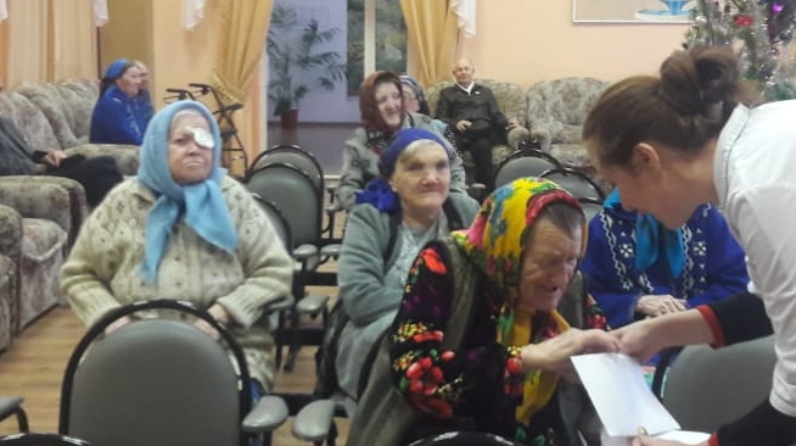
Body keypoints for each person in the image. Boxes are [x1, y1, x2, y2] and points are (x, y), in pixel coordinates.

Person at [581, 46, 796, 446]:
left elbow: (793, 397)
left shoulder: (757, 188)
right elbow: (768, 303)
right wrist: (660, 331)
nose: (625, 203)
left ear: (646, 159)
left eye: (617, 182)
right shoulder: (751, 154)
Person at [61, 100, 293, 400]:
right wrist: (111, 318)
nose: (195, 149)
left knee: (220, 407)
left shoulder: (233, 199)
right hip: (130, 347)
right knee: (103, 408)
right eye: (182, 141)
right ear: (158, 147)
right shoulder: (123, 202)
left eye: (204, 139)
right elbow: (80, 275)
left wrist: (224, 312)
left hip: (226, 347)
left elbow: (276, 270)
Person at [388, 177, 619, 445]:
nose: (561, 278)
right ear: (509, 249)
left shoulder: (573, 287)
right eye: (549, 261)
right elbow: (415, 376)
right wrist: (526, 358)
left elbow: (606, 358)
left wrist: (606, 360)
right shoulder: (443, 266)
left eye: (572, 259)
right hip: (450, 434)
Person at [332, 128, 480, 409]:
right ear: (392, 179)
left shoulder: (465, 210)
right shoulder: (370, 216)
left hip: (453, 340)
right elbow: (360, 298)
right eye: (415, 168)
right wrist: (438, 309)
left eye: (441, 166)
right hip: (379, 343)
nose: (431, 178)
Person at [581, 190, 748, 329]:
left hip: (701, 334)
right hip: (631, 337)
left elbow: (737, 284)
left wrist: (682, 314)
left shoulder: (705, 216)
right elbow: (586, 297)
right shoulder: (602, 227)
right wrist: (636, 303)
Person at [336, 71, 467, 212]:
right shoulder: (358, 142)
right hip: (381, 214)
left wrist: (452, 202)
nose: (392, 105)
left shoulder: (425, 125)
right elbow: (346, 190)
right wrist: (373, 212)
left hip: (431, 210)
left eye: (397, 97)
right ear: (370, 107)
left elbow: (455, 164)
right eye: (382, 100)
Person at [0, 115, 123, 207]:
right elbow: (5, 167)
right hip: (26, 179)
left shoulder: (5, 121)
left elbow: (28, 152)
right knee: (101, 166)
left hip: (41, 169)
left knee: (104, 165)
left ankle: (117, 217)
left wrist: (45, 156)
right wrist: (38, 167)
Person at [434, 58, 518, 191]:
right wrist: (456, 123)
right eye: (459, 70)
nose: (463, 72)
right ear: (454, 73)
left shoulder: (485, 92)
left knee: (483, 146)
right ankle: (454, 188)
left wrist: (508, 121)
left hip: (481, 134)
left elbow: (495, 114)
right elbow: (440, 117)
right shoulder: (446, 93)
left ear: (473, 71)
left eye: (466, 69)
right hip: (459, 133)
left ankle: (485, 190)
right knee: (449, 146)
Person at [89, 59, 149, 145]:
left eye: (139, 77)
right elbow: (127, 139)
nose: (139, 81)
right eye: (133, 77)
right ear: (118, 80)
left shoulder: (132, 101)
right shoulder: (109, 105)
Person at [133, 60, 155, 131]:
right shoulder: (128, 95)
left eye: (146, 75)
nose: (146, 79)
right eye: (142, 75)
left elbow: (150, 117)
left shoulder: (144, 92)